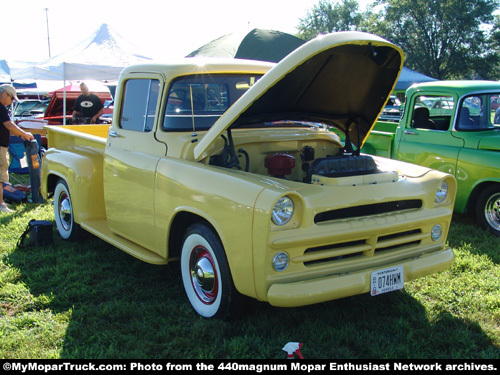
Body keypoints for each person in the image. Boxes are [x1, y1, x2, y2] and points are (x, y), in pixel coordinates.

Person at [0, 84, 34, 213]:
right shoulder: (1, 108)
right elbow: (9, 125)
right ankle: (1, 205)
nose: (12, 101)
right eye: (12, 98)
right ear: (5, 94)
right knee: (1, 177)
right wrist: (24, 134)